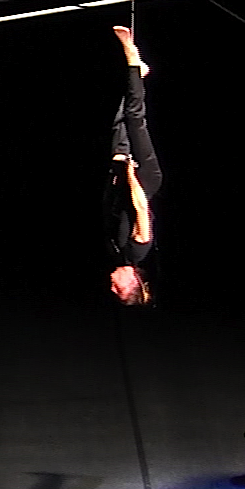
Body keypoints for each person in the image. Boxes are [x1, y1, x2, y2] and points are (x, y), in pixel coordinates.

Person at [107, 25, 159, 305]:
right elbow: (141, 207)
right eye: (119, 290)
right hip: (144, 178)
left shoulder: (118, 254)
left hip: (125, 177)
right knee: (134, 118)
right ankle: (131, 57)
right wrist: (130, 174)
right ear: (134, 283)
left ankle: (138, 73)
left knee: (120, 123)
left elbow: (117, 210)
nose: (112, 287)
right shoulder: (137, 252)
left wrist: (117, 177)